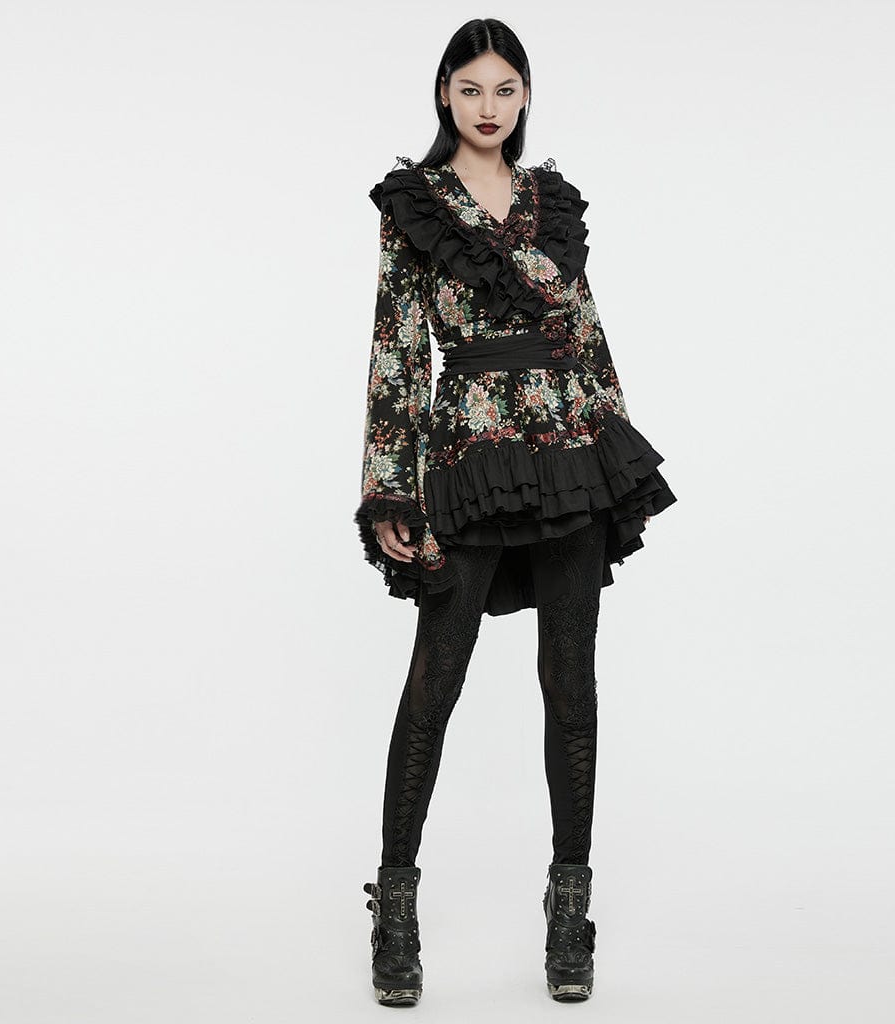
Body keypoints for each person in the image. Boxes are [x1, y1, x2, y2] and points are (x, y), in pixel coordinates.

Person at [355, 18, 677, 1007]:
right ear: (443, 95)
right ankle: (395, 907)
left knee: (570, 686)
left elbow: (586, 332)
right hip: (466, 457)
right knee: (434, 684)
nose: (487, 105)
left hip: (568, 453)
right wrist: (388, 488)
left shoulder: (552, 203)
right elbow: (397, 350)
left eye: (504, 88)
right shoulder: (417, 206)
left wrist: (616, 454)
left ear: (525, 95)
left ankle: (568, 906)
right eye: (470, 88)